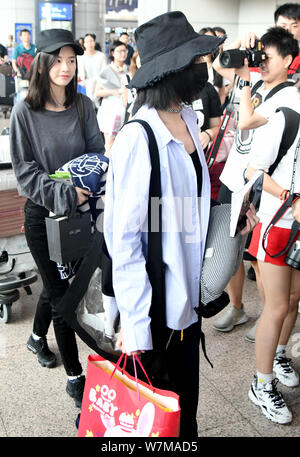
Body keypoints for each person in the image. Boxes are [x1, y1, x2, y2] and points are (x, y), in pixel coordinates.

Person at [103, 11, 257, 438]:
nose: (203, 69)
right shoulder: (139, 138)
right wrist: (135, 330)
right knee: (153, 424)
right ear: (172, 71)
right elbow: (127, 240)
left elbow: (172, 215)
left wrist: (227, 224)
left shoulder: (187, 119)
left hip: (185, 305)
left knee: (182, 415)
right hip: (153, 312)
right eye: (195, 62)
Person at [9, 28, 105, 408]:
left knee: (58, 283)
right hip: (42, 216)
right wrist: (67, 192)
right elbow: (26, 173)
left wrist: (87, 189)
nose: (66, 67)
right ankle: (75, 376)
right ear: (43, 62)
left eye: (72, 60)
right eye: (59, 60)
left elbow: (97, 152)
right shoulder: (24, 110)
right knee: (65, 295)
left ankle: (36, 337)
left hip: (82, 212)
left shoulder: (83, 106)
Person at [212, 27, 299, 337]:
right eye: (260, 57)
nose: (262, 63)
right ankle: (237, 307)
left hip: (257, 184)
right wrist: (241, 41)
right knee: (230, 247)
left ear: (288, 60)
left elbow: (247, 119)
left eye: (268, 58)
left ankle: (267, 319)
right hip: (233, 175)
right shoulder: (258, 80)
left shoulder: (287, 96)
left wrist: (247, 75)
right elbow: (220, 65)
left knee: (257, 257)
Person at [245, 104, 300, 424]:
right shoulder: (285, 118)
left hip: (295, 226)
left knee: (293, 299)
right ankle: (261, 384)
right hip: (276, 223)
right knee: (277, 306)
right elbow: (253, 171)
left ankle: (278, 356)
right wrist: (289, 197)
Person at [95, 40, 128, 154]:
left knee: (124, 143)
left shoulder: (129, 70)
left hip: (125, 110)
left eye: (124, 51)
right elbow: (97, 92)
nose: (122, 54)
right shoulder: (106, 71)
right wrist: (113, 91)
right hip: (110, 111)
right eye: (119, 51)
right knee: (110, 142)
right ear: (112, 53)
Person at [77, 33, 107, 104]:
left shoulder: (101, 56)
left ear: (94, 42)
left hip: (99, 86)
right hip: (85, 86)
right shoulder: (80, 57)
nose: (89, 43)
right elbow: (80, 74)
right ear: (84, 44)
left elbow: (104, 72)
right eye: (87, 41)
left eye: (91, 41)